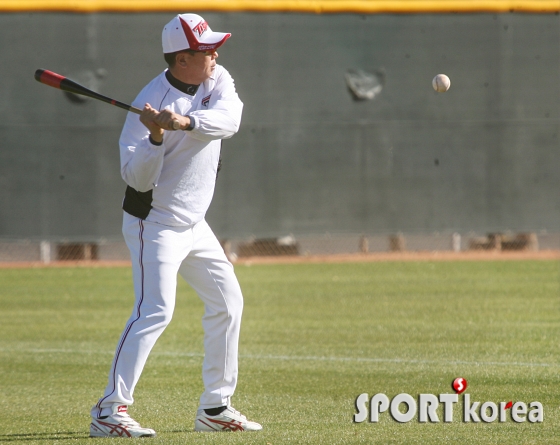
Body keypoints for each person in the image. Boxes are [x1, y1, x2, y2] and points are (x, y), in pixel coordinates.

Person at [89, 13, 262, 438]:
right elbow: (138, 179)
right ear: (182, 59)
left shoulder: (216, 79)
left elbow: (231, 119)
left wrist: (185, 122)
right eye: (205, 50)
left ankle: (215, 406)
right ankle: (109, 410)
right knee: (155, 311)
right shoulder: (147, 102)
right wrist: (155, 138)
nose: (214, 54)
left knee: (228, 302)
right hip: (156, 223)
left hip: (194, 222)